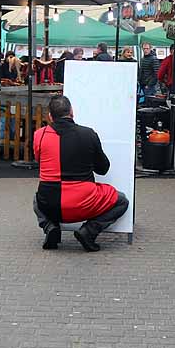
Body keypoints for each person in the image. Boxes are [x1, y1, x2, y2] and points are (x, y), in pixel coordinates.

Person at [33, 94, 129, 252]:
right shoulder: (88, 134)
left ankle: (50, 226)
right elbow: (103, 169)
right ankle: (88, 231)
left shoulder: (39, 135)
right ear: (72, 112)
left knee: (37, 199)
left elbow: (40, 161)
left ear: (50, 116)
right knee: (122, 201)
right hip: (83, 203)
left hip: (50, 203)